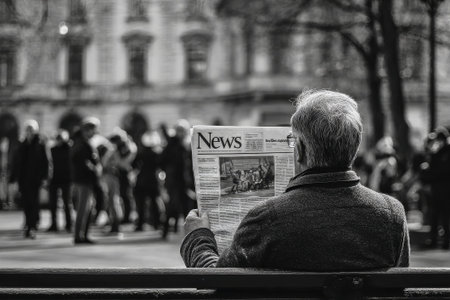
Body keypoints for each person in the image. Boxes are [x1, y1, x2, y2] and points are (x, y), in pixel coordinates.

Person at [181, 90, 409, 270]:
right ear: (355, 148)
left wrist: (197, 237)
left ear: (299, 149)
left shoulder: (267, 218)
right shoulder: (391, 214)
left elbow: (215, 280)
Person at [10, 120, 49, 239]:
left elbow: (46, 162)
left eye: (31, 129)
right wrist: (13, 178)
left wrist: (45, 177)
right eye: (27, 129)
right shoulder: (22, 144)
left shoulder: (41, 143)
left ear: (35, 131)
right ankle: (28, 224)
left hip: (35, 179)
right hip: (24, 179)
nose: (29, 132)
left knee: (34, 203)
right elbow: (17, 162)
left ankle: (31, 226)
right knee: (26, 203)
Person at [71, 117, 101, 244]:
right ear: (87, 130)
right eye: (93, 130)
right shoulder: (81, 143)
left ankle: (83, 235)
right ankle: (79, 236)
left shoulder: (82, 142)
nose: (94, 133)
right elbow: (83, 162)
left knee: (86, 209)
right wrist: (94, 169)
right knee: (83, 209)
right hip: (83, 180)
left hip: (85, 180)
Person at [421, 127, 450, 249]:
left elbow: (441, 171)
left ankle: (446, 240)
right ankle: (433, 239)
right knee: (434, 214)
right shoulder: (435, 153)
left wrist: (429, 174)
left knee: (445, 214)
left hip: (445, 188)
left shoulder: (447, 152)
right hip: (436, 188)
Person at [132, 131, 161, 231]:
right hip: (153, 180)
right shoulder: (156, 153)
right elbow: (160, 166)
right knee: (154, 203)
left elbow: (134, 165)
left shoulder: (141, 153)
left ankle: (140, 224)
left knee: (141, 204)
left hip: (142, 180)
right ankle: (157, 223)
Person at [47, 130, 73, 232]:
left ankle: (69, 224)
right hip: (54, 179)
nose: (59, 141)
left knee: (67, 203)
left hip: (66, 180)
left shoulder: (69, 149)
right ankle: (54, 224)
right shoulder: (52, 149)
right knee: (52, 204)